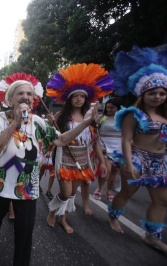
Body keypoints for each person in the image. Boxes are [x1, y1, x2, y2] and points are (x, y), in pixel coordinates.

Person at [0, 72, 100, 266]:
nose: (25, 97)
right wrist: (15, 121)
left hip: (27, 189)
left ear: (34, 100)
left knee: (24, 235)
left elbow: (62, 139)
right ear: (11, 98)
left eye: (29, 94)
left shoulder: (38, 122)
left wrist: (87, 122)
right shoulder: (0, 118)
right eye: (20, 93)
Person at [108, 46, 167, 254]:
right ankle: (114, 217)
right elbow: (126, 139)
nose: (157, 97)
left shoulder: (166, 116)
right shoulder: (133, 115)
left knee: (162, 200)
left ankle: (152, 237)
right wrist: (128, 163)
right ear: (144, 94)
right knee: (127, 192)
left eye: (161, 93)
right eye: (153, 93)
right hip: (136, 158)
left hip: (160, 161)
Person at [45, 64, 112, 234]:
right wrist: (50, 124)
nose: (79, 99)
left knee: (73, 193)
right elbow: (53, 136)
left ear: (86, 99)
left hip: (82, 160)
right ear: (69, 98)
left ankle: (63, 217)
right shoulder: (62, 116)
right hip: (65, 158)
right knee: (65, 193)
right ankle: (53, 212)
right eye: (76, 96)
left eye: (83, 96)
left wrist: (102, 163)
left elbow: (95, 141)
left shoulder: (91, 118)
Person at [92, 97, 122, 202]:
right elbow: (94, 130)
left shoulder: (123, 118)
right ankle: (100, 188)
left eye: (112, 108)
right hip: (104, 145)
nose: (109, 110)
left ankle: (109, 191)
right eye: (108, 107)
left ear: (118, 108)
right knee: (106, 169)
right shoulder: (102, 117)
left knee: (114, 170)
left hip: (119, 147)